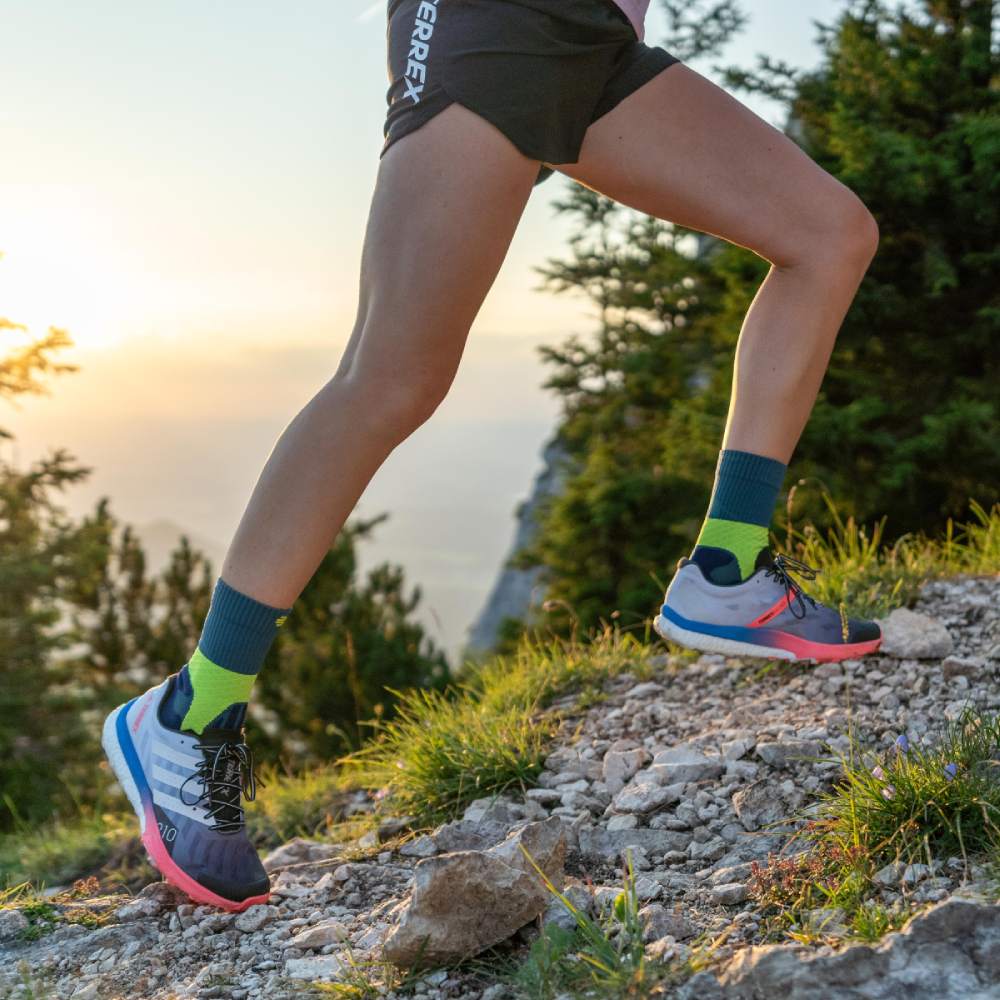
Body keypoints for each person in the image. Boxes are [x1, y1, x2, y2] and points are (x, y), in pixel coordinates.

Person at [102, 0, 882, 912]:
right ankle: (193, 710)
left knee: (828, 235)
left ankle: (728, 566)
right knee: (394, 374)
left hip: (596, 48)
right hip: (492, 22)